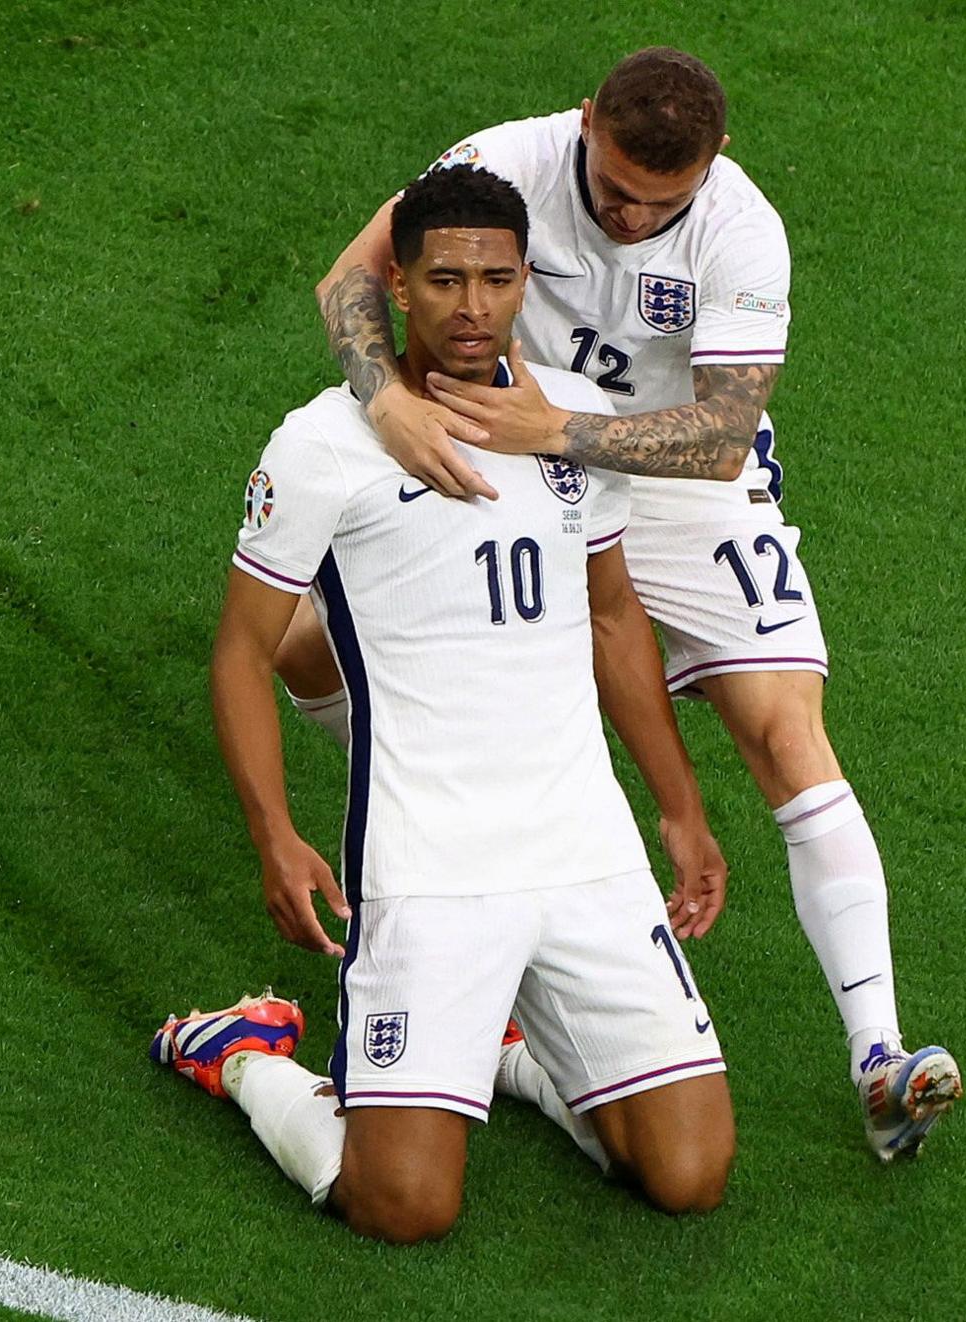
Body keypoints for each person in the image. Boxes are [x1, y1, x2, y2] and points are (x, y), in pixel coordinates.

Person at [296, 48, 962, 1161]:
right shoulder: (502, 160)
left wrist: (555, 429)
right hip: (496, 451)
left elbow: (719, 434)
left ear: (716, 164)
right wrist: (387, 405)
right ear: (586, 119)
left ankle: (879, 1055)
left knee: (785, 726)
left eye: (662, 201)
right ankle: (443, 827)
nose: (629, 214)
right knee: (304, 647)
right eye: (611, 189)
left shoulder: (742, 231)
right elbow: (351, 281)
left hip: (661, 478)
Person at [154, 165, 735, 1244]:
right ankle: (239, 1053)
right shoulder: (324, 444)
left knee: (688, 1172)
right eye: (447, 280)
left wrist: (679, 801)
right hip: (428, 865)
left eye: (499, 279)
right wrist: (273, 833)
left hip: (584, 852)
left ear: (528, 280)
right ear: (398, 287)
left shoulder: (574, 425)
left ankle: (507, 1050)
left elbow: (612, 617)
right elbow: (241, 651)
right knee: (405, 1204)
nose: (474, 307)